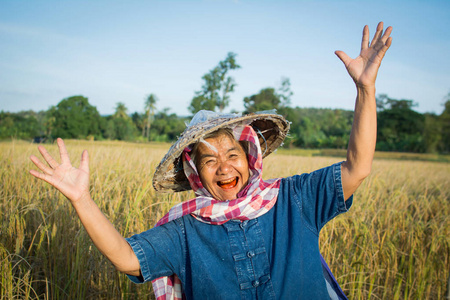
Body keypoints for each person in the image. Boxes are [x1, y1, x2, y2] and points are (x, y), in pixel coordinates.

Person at [29, 22, 392, 299]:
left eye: (233, 154)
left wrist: (365, 90)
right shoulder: (185, 231)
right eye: (209, 160)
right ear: (195, 173)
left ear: (249, 158)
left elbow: (357, 167)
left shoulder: (294, 200)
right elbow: (127, 258)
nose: (224, 167)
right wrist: (82, 199)